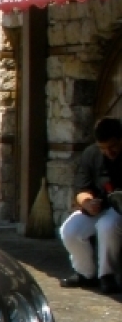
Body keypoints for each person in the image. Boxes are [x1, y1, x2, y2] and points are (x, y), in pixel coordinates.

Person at [60, 116, 122, 293]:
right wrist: (87, 203)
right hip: (97, 207)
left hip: (118, 210)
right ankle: (85, 273)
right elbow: (81, 188)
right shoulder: (91, 154)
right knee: (69, 230)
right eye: (103, 148)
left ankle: (107, 276)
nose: (108, 152)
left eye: (113, 147)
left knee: (107, 225)